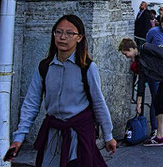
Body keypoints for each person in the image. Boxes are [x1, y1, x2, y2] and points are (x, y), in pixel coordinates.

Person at [9, 15, 117, 166]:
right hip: (53, 133)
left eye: (69, 33)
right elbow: (31, 102)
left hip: (79, 134)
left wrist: (108, 135)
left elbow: (98, 102)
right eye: (58, 32)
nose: (63, 37)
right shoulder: (45, 66)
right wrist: (19, 137)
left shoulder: (87, 68)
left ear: (79, 38)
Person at [119, 38, 163, 147]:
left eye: (126, 53)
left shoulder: (146, 47)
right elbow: (141, 83)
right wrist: (138, 104)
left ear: (130, 48)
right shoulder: (139, 61)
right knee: (157, 103)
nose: (126, 56)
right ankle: (159, 136)